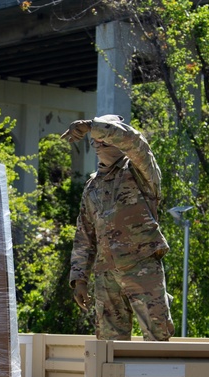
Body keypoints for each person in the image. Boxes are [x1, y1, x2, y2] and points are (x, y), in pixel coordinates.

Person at [62, 115, 175, 341]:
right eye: (96, 142)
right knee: (108, 347)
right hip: (107, 275)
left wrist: (92, 127)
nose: (99, 145)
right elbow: (84, 235)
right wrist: (80, 279)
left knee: (157, 337)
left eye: (104, 140)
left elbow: (134, 142)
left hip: (141, 264)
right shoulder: (92, 186)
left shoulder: (140, 170)